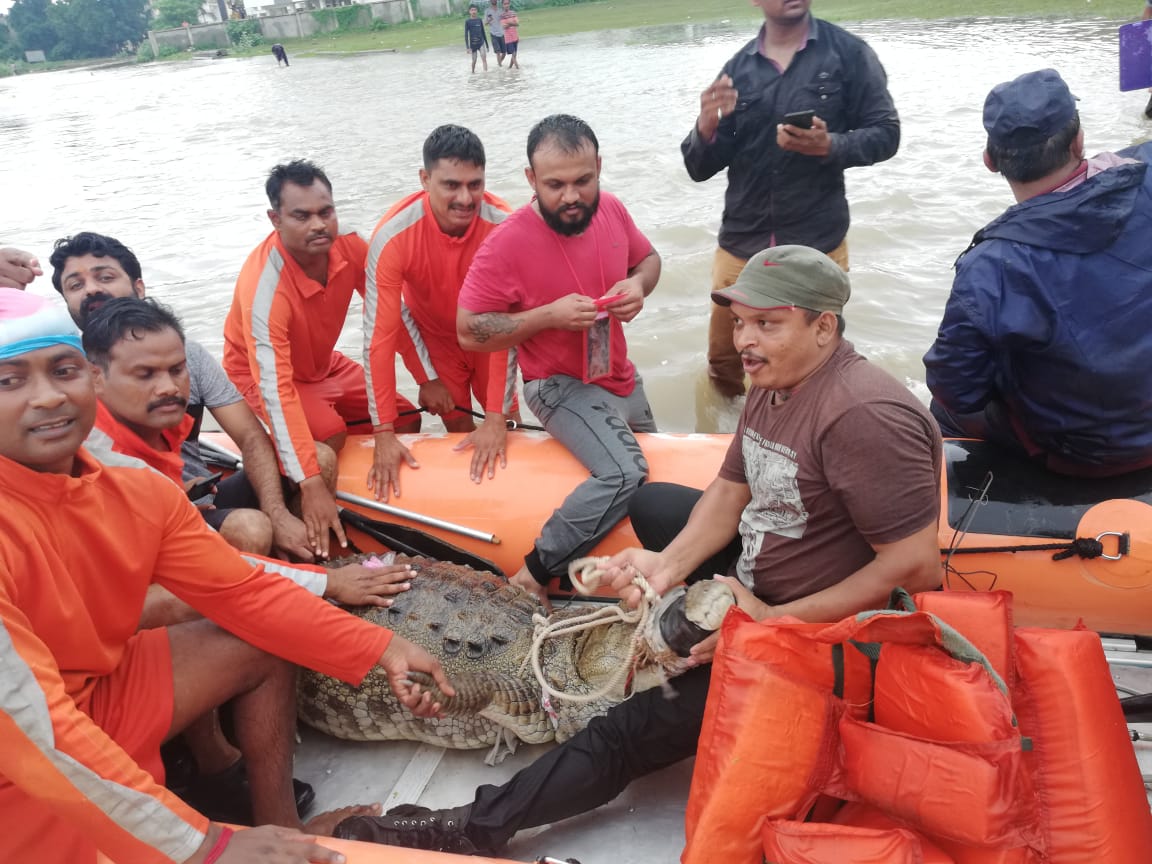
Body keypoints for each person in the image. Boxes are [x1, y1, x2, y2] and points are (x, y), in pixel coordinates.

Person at [335, 245, 942, 852]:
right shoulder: (776, 379)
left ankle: (474, 829)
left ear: (824, 326)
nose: (744, 341)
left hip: (815, 633)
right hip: (761, 577)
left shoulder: (863, 415)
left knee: (621, 732)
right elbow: (730, 491)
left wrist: (766, 620)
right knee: (653, 507)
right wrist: (665, 565)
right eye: (739, 322)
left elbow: (916, 567)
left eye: (767, 323)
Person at [0, 287, 453, 863]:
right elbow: (34, 735)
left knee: (257, 639)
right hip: (19, 757)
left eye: (62, 370)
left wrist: (382, 647)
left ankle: (282, 827)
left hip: (93, 690)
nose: (46, 398)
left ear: (88, 377)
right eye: (9, 380)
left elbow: (242, 591)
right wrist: (207, 847)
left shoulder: (133, 486)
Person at [455, 114, 661, 607]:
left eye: (583, 181)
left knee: (663, 475)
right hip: (558, 385)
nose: (571, 196)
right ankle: (531, 574)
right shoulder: (506, 242)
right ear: (531, 179)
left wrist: (638, 286)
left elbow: (649, 260)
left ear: (599, 168)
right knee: (626, 473)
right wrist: (546, 316)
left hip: (619, 376)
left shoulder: (611, 210)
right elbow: (469, 331)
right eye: (555, 184)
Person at [924, 68, 1152, 478]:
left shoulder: (990, 266)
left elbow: (957, 388)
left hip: (1087, 454)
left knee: (943, 410)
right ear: (1079, 140)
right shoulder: (1144, 174)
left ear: (990, 160)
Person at [682, 0, 899, 401]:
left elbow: (887, 134)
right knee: (726, 361)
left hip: (816, 242)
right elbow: (699, 166)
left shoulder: (849, 54)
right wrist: (706, 125)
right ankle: (723, 430)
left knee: (818, 360)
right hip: (742, 243)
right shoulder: (738, 68)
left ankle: (811, 433)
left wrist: (830, 145)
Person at [48, 231, 313, 560]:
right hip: (136, 521)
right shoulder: (63, 376)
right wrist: (167, 495)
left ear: (139, 288)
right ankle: (275, 586)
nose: (91, 289)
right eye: (75, 285)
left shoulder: (188, 353)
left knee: (316, 463)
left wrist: (278, 512)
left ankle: (302, 561)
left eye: (104, 276)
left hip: (201, 495)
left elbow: (249, 435)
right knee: (250, 526)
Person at [223, 159, 420, 560]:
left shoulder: (348, 243)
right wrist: (311, 480)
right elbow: (276, 390)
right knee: (328, 432)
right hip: (260, 374)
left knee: (404, 415)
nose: (318, 225)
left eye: (325, 211)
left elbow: (392, 318)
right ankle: (298, 530)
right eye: (302, 216)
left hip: (320, 363)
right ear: (274, 219)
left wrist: (427, 377)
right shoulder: (265, 288)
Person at [364, 125, 514, 499]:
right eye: (451, 185)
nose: (466, 198)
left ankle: (512, 490)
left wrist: (496, 416)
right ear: (424, 179)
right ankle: (472, 497)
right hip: (437, 340)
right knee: (458, 424)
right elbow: (380, 339)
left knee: (510, 426)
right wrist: (383, 431)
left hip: (490, 337)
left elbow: (508, 328)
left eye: (475, 184)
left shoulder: (505, 226)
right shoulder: (392, 237)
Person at [465, 5, 489, 73]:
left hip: (481, 42)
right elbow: (466, 35)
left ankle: (485, 74)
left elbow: (483, 32)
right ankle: (472, 72)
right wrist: (467, 47)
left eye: (475, 10)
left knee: (484, 58)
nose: (474, 11)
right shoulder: (467, 21)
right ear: (469, 11)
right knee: (474, 60)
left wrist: (487, 45)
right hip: (473, 45)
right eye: (472, 10)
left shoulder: (479, 20)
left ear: (477, 11)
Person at [483, 0, 506, 67]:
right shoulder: (487, 11)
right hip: (493, 33)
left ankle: (499, 64)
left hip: (502, 33)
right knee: (498, 52)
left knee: (504, 53)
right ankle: (500, 66)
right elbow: (484, 23)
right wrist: (489, 20)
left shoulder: (501, 10)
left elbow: (505, 19)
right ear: (490, 1)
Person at [500, 0, 519, 69]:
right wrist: (512, 22)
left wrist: (509, 23)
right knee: (513, 54)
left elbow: (517, 24)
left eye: (507, 3)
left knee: (515, 55)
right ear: (502, 5)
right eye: (505, 4)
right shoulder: (502, 16)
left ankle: (510, 68)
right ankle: (518, 69)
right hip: (508, 38)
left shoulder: (513, 13)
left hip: (515, 36)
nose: (506, 5)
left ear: (509, 4)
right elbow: (504, 26)